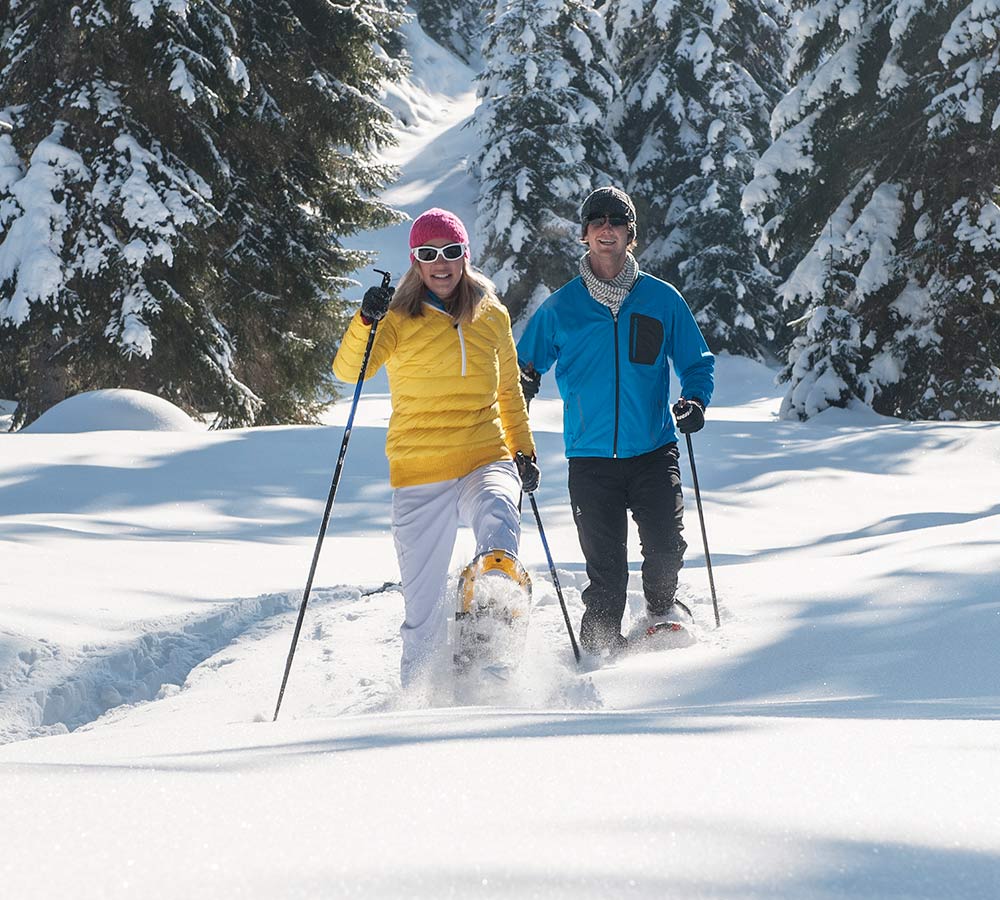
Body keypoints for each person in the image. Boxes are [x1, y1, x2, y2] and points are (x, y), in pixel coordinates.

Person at [333, 208, 540, 690]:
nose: (441, 263)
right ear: (415, 262)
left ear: (464, 256)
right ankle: (417, 704)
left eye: (450, 252)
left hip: (483, 454)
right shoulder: (395, 318)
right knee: (421, 612)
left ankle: (486, 633)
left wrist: (523, 452)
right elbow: (349, 372)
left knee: (497, 514)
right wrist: (365, 319)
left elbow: (509, 391)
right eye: (428, 254)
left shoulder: (491, 313)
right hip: (419, 469)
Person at [516, 186, 714, 657]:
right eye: (597, 219)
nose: (607, 227)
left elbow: (696, 362)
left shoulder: (661, 299)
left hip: (652, 449)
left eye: (617, 220)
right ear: (584, 234)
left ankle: (662, 611)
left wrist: (694, 400)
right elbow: (523, 368)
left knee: (666, 550)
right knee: (606, 575)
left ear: (630, 234)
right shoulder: (561, 308)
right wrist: (519, 402)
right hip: (590, 458)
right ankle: (599, 653)